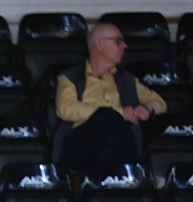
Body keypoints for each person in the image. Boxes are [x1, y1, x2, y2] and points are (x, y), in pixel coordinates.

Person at [55, 22, 167, 173]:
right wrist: (119, 113)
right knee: (108, 115)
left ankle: (124, 181)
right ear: (100, 45)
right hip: (80, 141)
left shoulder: (126, 79)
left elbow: (159, 102)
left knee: (109, 153)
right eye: (118, 41)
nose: (124, 46)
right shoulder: (71, 77)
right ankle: (136, 173)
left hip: (113, 144)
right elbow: (65, 108)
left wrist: (147, 108)